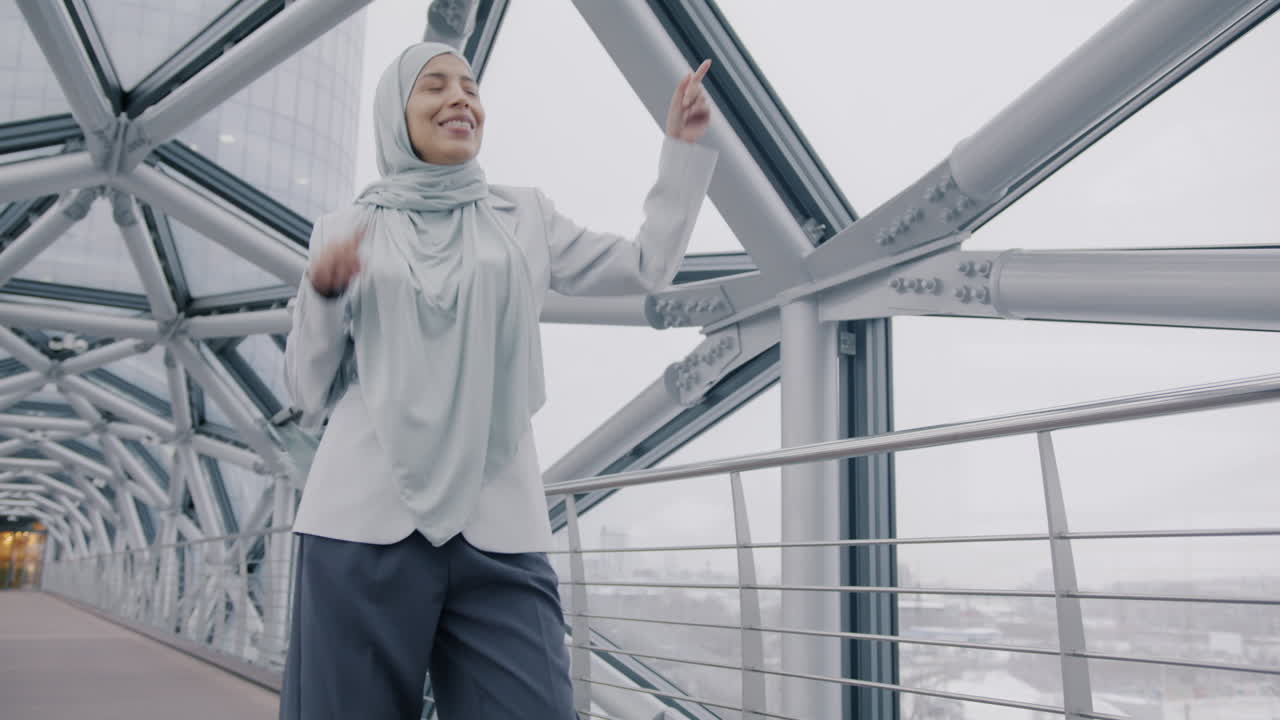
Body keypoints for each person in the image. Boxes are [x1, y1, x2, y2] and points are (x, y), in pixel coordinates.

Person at [280, 41, 716, 719]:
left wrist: (682, 155)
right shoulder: (347, 229)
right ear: (396, 113)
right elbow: (306, 395)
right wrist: (325, 293)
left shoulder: (524, 218)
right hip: (361, 526)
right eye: (434, 86)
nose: (460, 98)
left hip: (499, 530)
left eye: (470, 86)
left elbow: (645, 268)